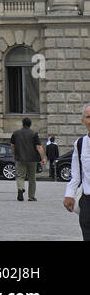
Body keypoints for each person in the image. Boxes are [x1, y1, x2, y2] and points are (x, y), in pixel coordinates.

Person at [62, 103, 90, 240]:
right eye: (88, 117)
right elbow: (76, 175)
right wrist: (69, 195)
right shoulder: (80, 143)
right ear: (83, 120)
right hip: (87, 201)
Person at [10, 117, 44, 201]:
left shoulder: (16, 133)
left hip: (20, 158)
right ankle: (31, 196)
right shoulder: (34, 134)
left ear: (22, 123)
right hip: (32, 159)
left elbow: (12, 145)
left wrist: (14, 155)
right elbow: (39, 147)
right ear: (30, 124)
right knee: (32, 178)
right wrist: (43, 158)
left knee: (20, 176)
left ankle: (20, 189)